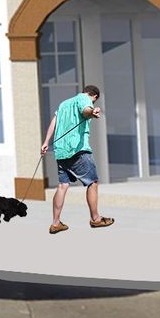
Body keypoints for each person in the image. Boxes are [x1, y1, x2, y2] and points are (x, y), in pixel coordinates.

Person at [43, 84, 111, 234]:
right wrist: (92, 111)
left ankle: (55, 223)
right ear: (94, 97)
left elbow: (53, 123)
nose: (92, 103)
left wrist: (46, 142)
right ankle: (96, 219)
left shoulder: (64, 104)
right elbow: (85, 110)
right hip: (77, 150)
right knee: (92, 183)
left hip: (60, 151)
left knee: (62, 186)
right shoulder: (84, 99)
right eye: (94, 101)